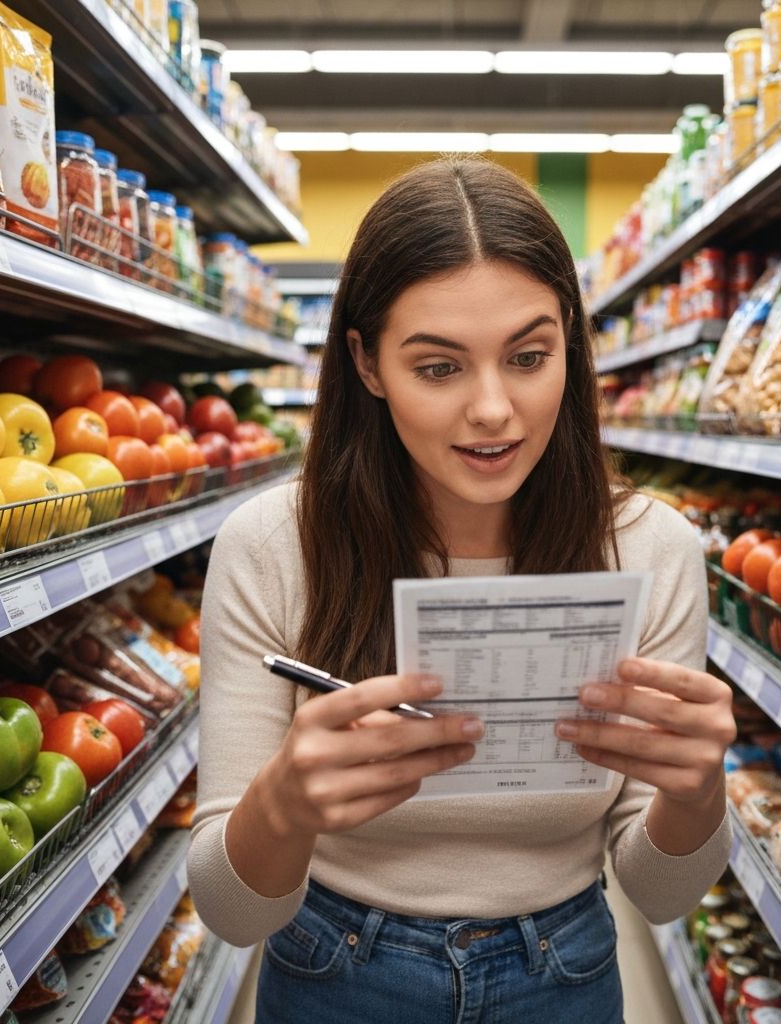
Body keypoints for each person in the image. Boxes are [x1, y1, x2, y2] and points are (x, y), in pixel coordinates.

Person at [189, 157, 735, 1024]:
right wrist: (282, 805)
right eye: (439, 367)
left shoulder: (649, 548)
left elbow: (660, 893)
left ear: (570, 345)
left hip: (566, 976)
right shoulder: (272, 546)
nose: (492, 409)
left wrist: (698, 793)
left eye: (529, 357)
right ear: (367, 362)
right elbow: (232, 912)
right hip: (332, 973)